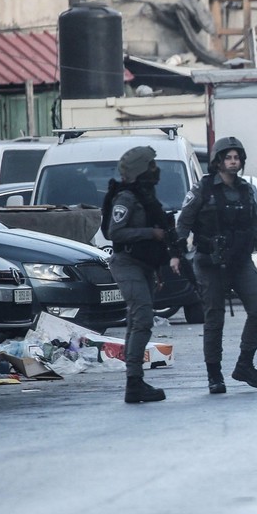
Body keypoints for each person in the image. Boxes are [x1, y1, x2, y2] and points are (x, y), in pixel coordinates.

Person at [174, 136, 257, 393]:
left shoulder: (246, 190)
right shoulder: (202, 189)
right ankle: (214, 375)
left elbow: (256, 225)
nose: (233, 162)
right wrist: (177, 253)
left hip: (240, 261)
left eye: (236, 157)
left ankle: (245, 365)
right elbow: (183, 222)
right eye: (228, 157)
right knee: (214, 319)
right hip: (209, 263)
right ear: (218, 161)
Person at [103, 145, 181, 404]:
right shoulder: (126, 198)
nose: (155, 170)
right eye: (151, 165)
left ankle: (134, 380)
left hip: (143, 265)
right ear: (139, 170)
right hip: (127, 263)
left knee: (136, 321)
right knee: (143, 319)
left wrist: (157, 267)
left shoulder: (145, 195)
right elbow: (114, 233)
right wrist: (150, 233)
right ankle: (134, 382)